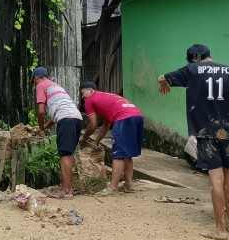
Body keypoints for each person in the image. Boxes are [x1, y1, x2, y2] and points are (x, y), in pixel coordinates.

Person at [158, 44, 229, 240]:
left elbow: (162, 77)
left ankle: (220, 230)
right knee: (228, 175)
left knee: (216, 179)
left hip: (206, 132)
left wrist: (163, 84)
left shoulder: (191, 70)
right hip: (228, 131)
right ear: (208, 55)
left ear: (193, 59)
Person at [79, 82, 144, 196]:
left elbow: (93, 125)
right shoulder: (105, 98)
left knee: (118, 154)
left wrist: (83, 137)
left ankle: (112, 188)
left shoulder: (90, 100)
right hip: (138, 116)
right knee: (126, 154)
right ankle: (128, 185)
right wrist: (96, 142)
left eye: (83, 93)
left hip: (124, 118)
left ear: (90, 90)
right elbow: (105, 126)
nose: (82, 97)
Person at [31, 67, 83, 199]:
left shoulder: (41, 85)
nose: (34, 84)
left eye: (33, 81)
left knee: (64, 154)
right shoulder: (56, 86)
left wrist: (41, 127)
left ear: (36, 77)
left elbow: (41, 111)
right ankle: (67, 187)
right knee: (68, 154)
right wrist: (43, 127)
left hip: (66, 120)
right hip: (76, 119)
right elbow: (55, 116)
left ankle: (66, 191)